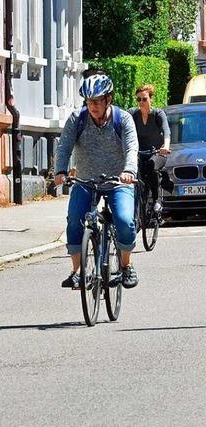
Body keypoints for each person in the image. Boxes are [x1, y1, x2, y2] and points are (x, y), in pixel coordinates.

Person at [55, 75, 140, 289]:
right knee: (74, 219)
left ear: (108, 99)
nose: (92, 106)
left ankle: (126, 266)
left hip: (118, 181)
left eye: (97, 101)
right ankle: (77, 271)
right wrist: (60, 171)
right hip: (85, 180)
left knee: (124, 219)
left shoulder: (123, 119)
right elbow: (64, 147)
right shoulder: (77, 119)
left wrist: (129, 171)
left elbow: (132, 148)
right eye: (88, 101)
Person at [128, 84, 171, 212]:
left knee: (152, 166)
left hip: (157, 152)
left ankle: (157, 200)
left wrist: (166, 146)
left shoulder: (158, 114)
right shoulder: (132, 114)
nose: (141, 102)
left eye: (144, 99)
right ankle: (137, 203)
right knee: (133, 171)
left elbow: (167, 132)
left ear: (150, 99)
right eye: (139, 99)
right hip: (140, 153)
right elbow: (123, 129)